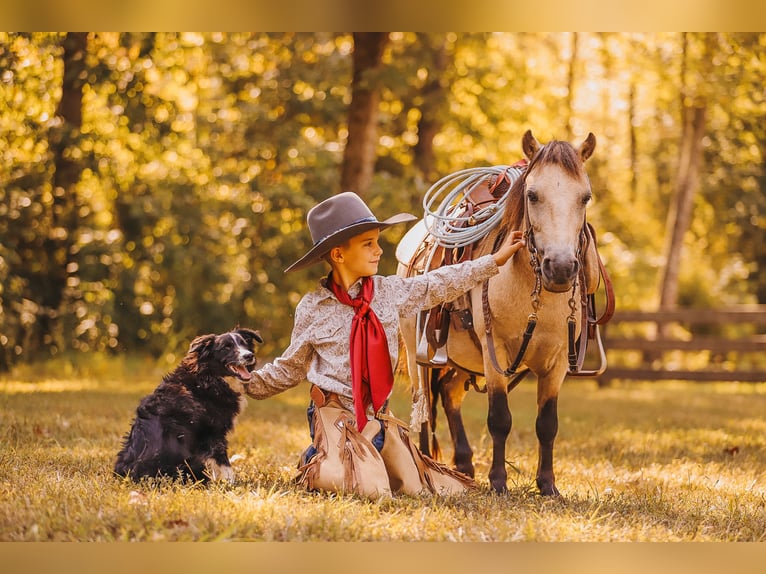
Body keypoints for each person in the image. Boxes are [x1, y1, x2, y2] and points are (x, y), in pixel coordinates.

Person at [245, 191, 525, 498]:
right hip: (335, 414)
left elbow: (440, 283)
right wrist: (245, 383)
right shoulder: (313, 308)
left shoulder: (389, 292)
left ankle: (367, 454)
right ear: (338, 255)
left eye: (377, 241)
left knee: (424, 488)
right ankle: (317, 458)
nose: (379, 251)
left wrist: (494, 261)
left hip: (377, 417)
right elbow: (291, 368)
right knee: (367, 489)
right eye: (368, 244)